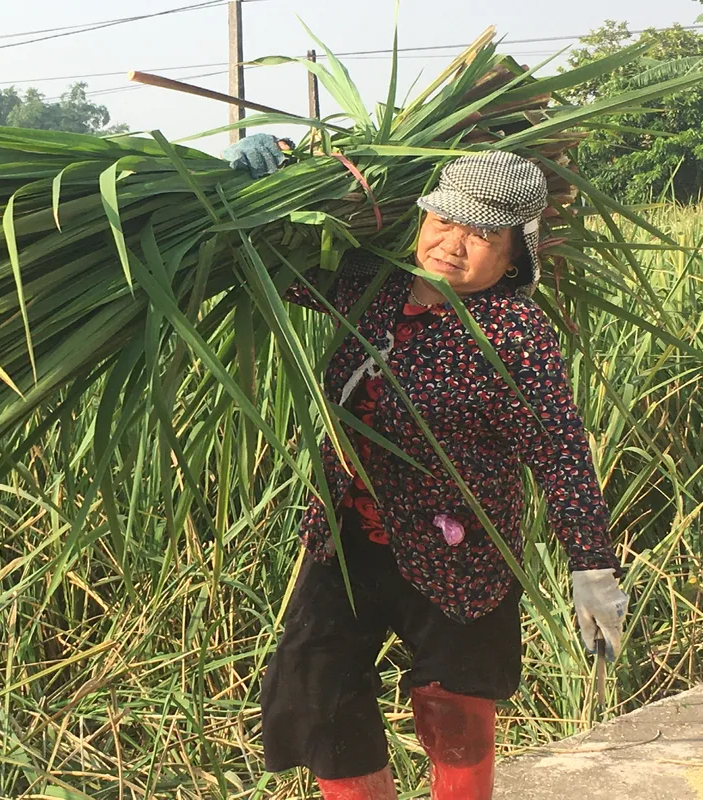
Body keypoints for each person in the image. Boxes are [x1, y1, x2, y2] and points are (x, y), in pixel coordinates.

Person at [222, 136, 630, 799]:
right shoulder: (369, 285)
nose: (453, 244)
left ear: (512, 254)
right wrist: (251, 186)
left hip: (461, 554)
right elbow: (266, 263)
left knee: (455, 708)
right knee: (321, 697)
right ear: (422, 217)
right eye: (444, 221)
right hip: (345, 541)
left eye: (482, 236)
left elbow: (559, 449)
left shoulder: (514, 331)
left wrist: (591, 565)